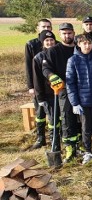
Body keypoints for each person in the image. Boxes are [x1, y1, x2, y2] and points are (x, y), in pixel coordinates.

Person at [65, 35, 92, 164]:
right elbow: (70, 83)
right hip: (83, 102)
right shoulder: (73, 61)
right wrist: (75, 103)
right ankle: (88, 151)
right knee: (85, 128)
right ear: (79, 44)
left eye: (89, 43)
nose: (87, 46)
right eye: (84, 43)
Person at [42, 23, 81, 163]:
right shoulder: (53, 51)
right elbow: (46, 68)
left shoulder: (79, 48)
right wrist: (52, 76)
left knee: (82, 118)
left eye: (69, 33)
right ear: (60, 34)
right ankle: (69, 147)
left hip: (81, 88)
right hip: (64, 89)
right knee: (67, 118)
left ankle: (80, 144)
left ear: (74, 33)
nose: (67, 36)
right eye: (64, 33)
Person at [25, 18, 52, 149]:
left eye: (48, 27)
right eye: (43, 27)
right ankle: (41, 137)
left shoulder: (54, 44)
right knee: (40, 113)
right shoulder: (31, 45)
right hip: (38, 85)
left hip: (52, 86)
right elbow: (29, 67)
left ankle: (54, 137)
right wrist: (31, 86)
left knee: (53, 114)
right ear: (38, 28)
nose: (46, 29)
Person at [32, 30, 59, 151]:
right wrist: (40, 97)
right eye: (47, 41)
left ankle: (59, 138)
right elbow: (37, 79)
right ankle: (53, 141)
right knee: (52, 118)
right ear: (43, 43)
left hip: (59, 91)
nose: (49, 42)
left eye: (51, 40)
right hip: (47, 94)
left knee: (59, 118)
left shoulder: (59, 53)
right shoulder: (38, 58)